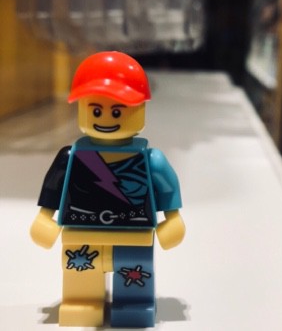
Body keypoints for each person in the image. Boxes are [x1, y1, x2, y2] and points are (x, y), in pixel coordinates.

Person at [30, 51, 185, 328]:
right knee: (81, 278)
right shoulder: (71, 157)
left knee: (134, 278)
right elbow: (54, 191)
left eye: (117, 111)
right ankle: (82, 302)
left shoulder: (151, 160)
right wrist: (44, 218)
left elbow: (167, 190)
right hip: (81, 235)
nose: (106, 118)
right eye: (96, 110)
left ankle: (134, 304)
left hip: (134, 237)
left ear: (140, 109)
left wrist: (173, 220)